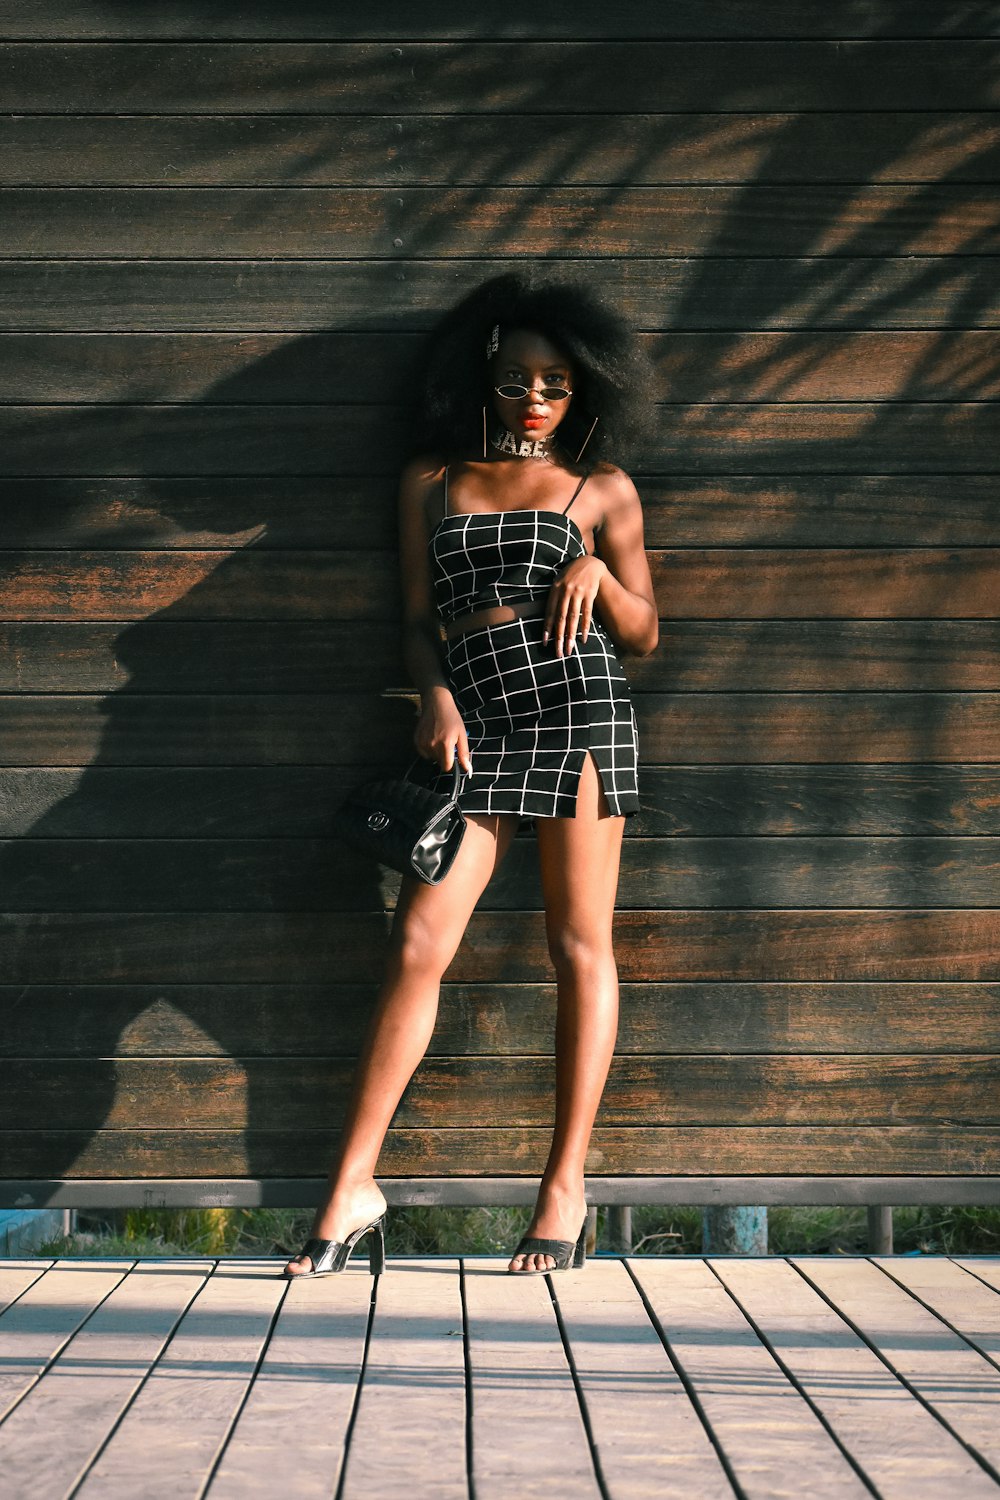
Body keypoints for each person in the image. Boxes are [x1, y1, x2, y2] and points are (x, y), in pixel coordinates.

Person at [282, 271, 658, 1278]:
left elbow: (648, 630)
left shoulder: (602, 489)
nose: (536, 398)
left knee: (578, 944)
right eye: (517, 380)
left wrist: (598, 572)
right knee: (417, 943)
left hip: (579, 713)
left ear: (580, 394)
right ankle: (354, 1186)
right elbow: (415, 622)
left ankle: (562, 1191)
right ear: (482, 383)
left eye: (556, 384)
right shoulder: (430, 481)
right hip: (473, 722)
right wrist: (434, 697)